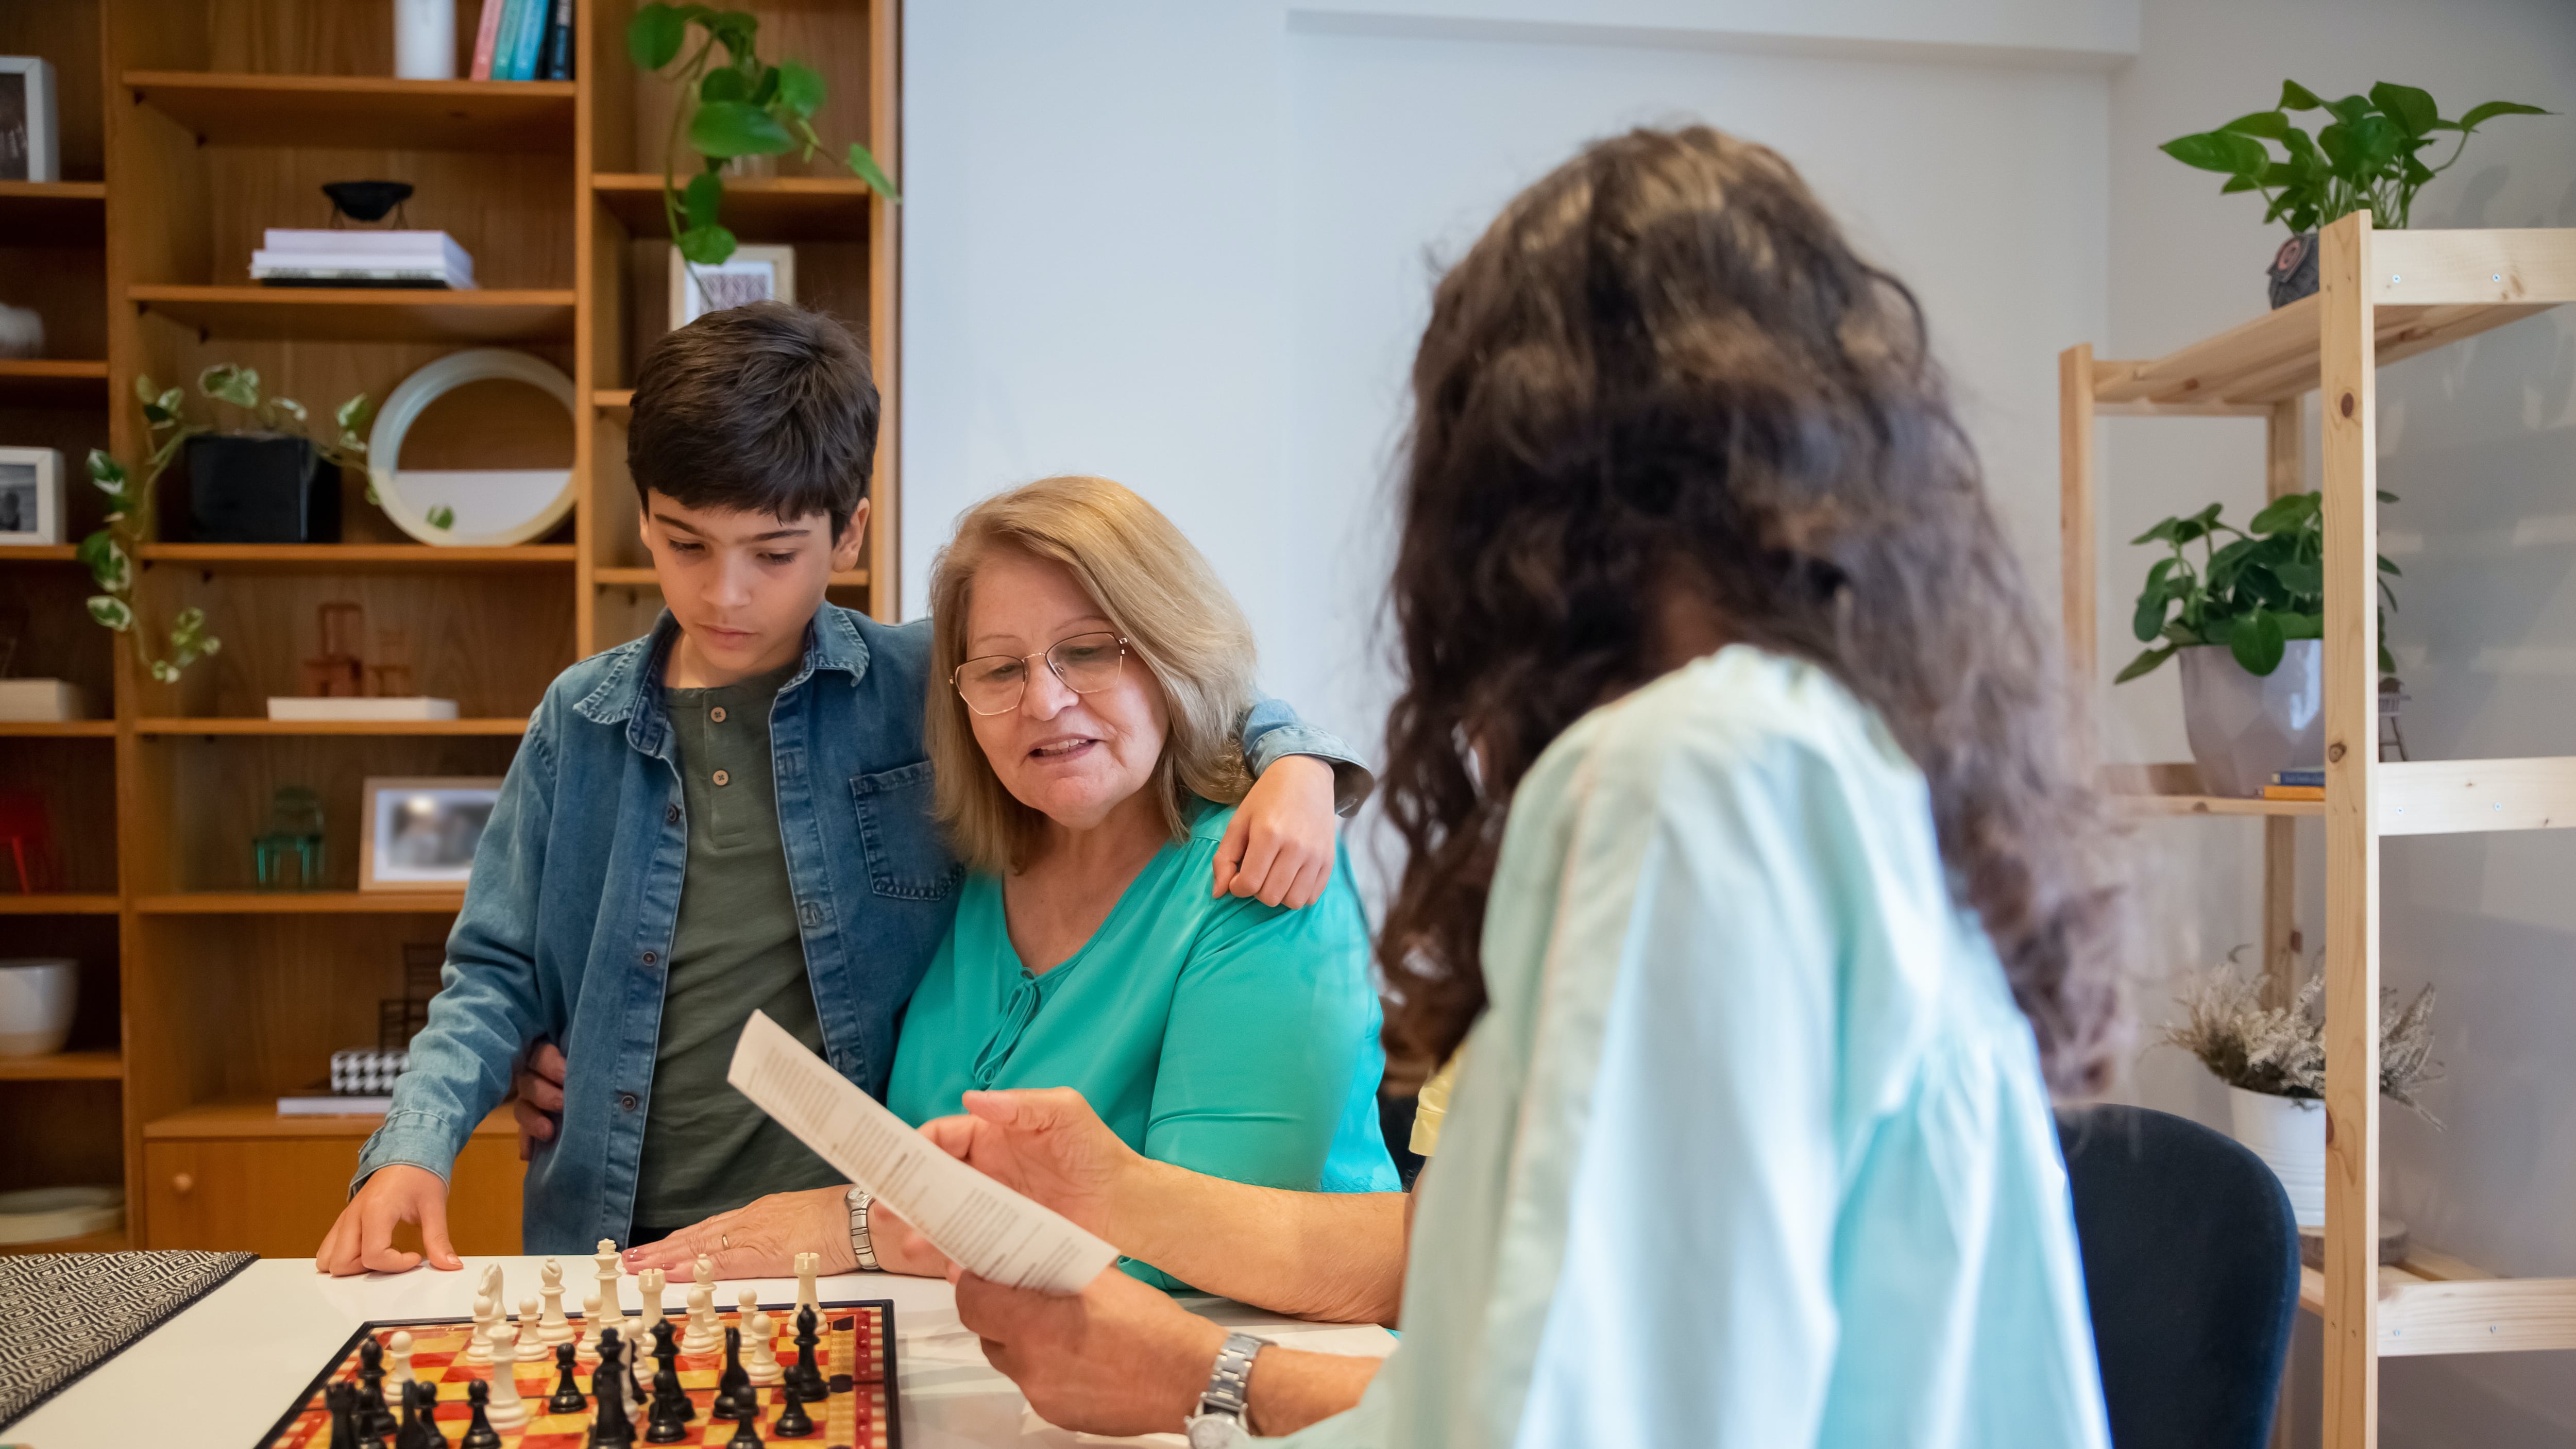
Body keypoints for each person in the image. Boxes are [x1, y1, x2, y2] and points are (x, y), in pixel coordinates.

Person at [927, 126, 2130, 1446]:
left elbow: (1566, 1418)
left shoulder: (1693, 779)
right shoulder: (1828, 759)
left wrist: (1198, 1378)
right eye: (996, 669)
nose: (1042, 699)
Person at [314, 305, 1367, 1273]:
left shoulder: (922, 683)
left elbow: (1157, 683)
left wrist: (1299, 760)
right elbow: (494, 967)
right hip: (618, 1230)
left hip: (856, 1244)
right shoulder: (579, 721)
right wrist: (421, 1137)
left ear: (849, 534)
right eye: (687, 544)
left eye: (774, 552)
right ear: (642, 519)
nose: (725, 591)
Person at [620, 475, 1400, 1287]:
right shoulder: (977, 868)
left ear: (1173, 652)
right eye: (998, 671)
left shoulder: (1267, 876)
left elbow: (1206, 1248)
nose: (1046, 702)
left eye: (1089, 652)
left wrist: (861, 1223)